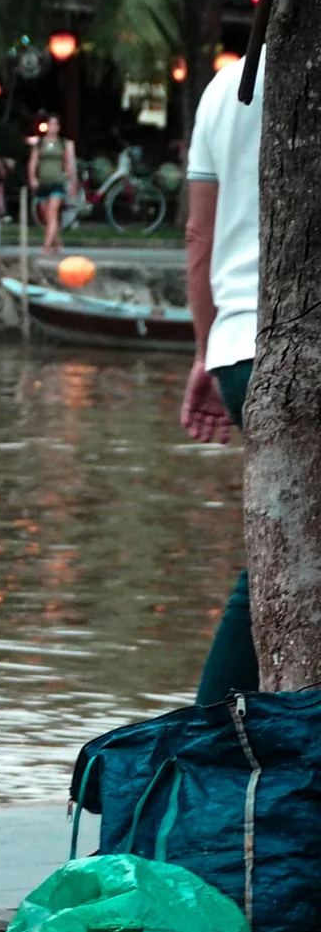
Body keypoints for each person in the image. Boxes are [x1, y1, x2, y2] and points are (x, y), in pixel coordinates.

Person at [180, 53, 263, 705]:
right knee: (276, 553)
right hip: (289, 343)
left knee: (279, 544)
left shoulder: (225, 85)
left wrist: (208, 351)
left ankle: (210, 738)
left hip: (240, 349)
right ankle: (205, 739)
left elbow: (199, 237)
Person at [28, 113, 76, 256]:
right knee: (46, 217)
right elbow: (33, 162)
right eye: (51, 124)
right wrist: (32, 178)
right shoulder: (40, 143)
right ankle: (57, 243)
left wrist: (71, 180)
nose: (53, 127)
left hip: (57, 182)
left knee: (52, 213)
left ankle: (46, 247)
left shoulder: (62, 143)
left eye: (56, 124)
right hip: (43, 182)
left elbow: (68, 163)